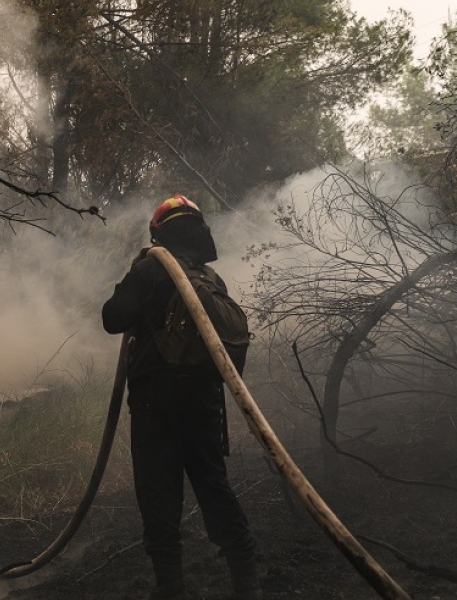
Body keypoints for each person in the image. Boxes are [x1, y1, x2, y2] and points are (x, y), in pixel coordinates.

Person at [101, 195, 261, 600]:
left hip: (157, 405)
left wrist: (135, 281)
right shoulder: (209, 277)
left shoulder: (153, 268)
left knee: (159, 495)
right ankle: (246, 581)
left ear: (159, 231)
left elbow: (111, 318)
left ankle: (170, 590)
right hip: (205, 402)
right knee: (212, 485)